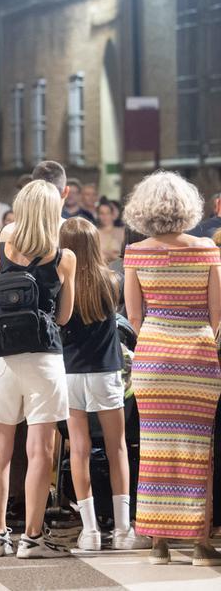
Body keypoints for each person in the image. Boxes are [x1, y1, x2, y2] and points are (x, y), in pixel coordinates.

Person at [122, 171, 221, 567]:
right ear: (187, 207)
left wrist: (158, 338)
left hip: (154, 359)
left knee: (154, 451)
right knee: (199, 452)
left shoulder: (136, 254)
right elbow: (217, 318)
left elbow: (134, 318)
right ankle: (199, 544)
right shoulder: (207, 250)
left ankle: (159, 543)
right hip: (197, 358)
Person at [0, 180, 76, 560]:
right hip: (44, 362)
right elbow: (64, 316)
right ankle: (31, 538)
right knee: (40, 452)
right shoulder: (64, 258)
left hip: (1, 360)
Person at [58, 217, 147, 552]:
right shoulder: (111, 279)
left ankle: (90, 531)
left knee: (78, 450)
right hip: (106, 372)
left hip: (69, 373)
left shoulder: (59, 281)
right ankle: (124, 529)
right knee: (117, 448)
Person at [96, 199, 125, 267]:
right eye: (102, 213)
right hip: (101, 270)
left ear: (112, 215)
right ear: (98, 215)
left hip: (119, 271)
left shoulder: (122, 232)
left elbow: (126, 255)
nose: (105, 216)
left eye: (107, 213)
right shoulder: (95, 233)